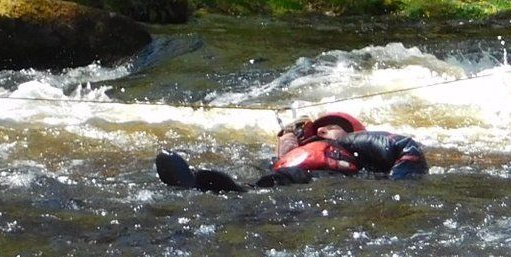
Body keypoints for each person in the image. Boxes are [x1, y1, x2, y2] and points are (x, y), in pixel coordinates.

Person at [155, 111, 429, 193]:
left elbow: (408, 149)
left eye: (330, 127)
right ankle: (199, 185)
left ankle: (216, 188)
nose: (321, 132)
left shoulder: (361, 146)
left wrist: (400, 186)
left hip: (329, 185)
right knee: (262, 187)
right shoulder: (291, 157)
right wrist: (282, 153)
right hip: (295, 183)